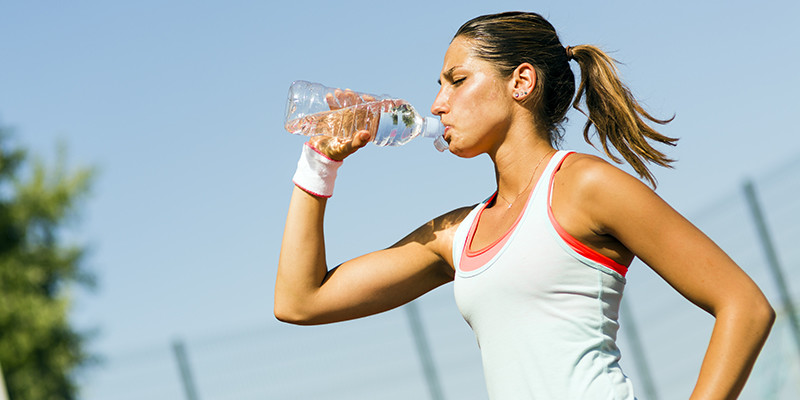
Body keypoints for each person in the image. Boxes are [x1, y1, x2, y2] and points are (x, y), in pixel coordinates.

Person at [275, 11, 774, 399]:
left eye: (457, 80)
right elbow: (300, 302)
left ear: (522, 82)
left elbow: (744, 306)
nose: (436, 104)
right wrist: (319, 161)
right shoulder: (457, 235)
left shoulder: (586, 187)